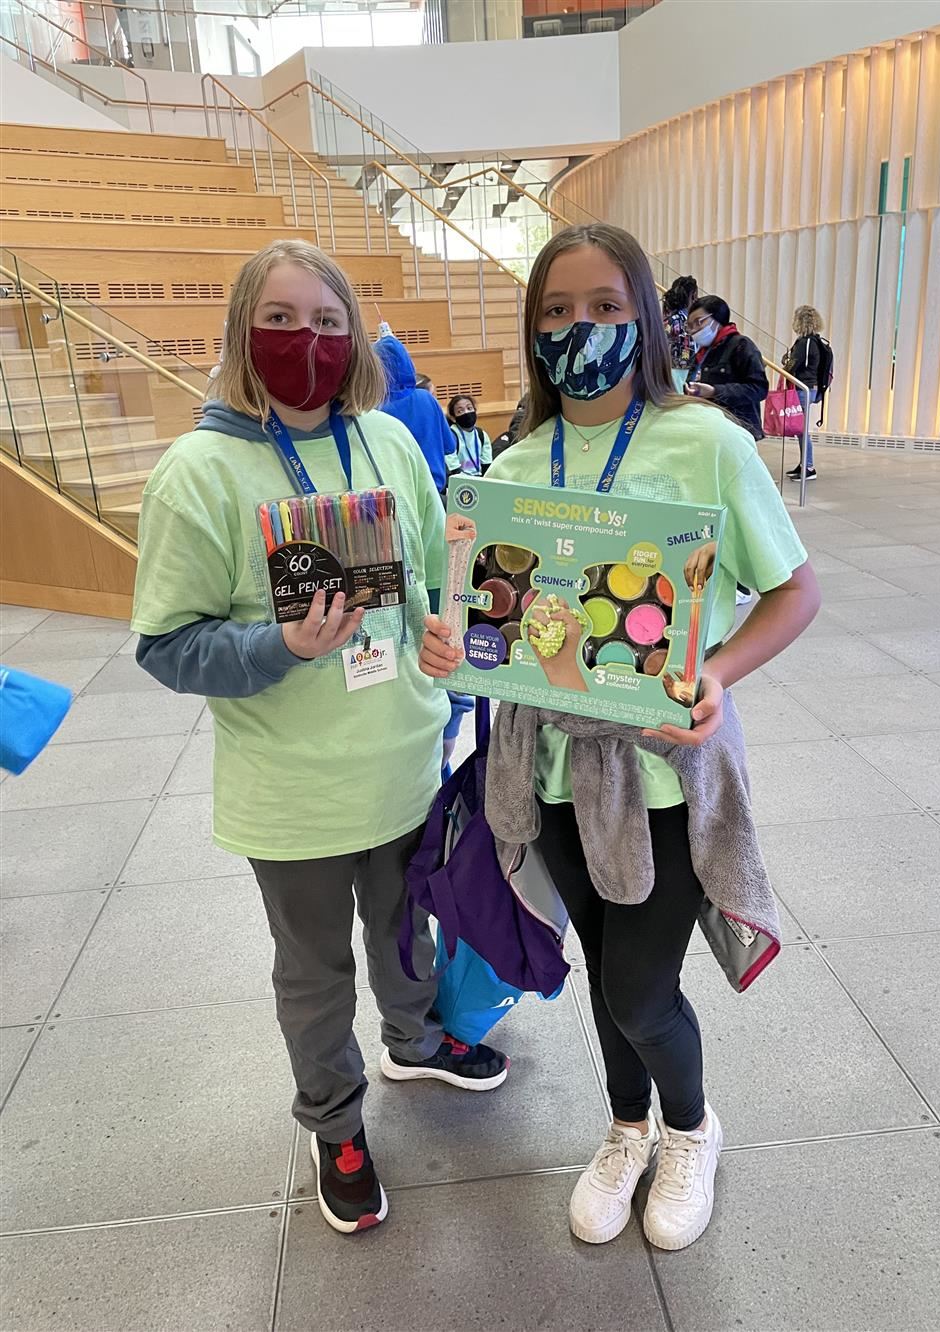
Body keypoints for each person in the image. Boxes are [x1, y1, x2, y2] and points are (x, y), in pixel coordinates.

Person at [420, 224, 819, 1254]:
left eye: (603, 306)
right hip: (548, 766)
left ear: (645, 316)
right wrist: (449, 641)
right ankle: (627, 1126)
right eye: (556, 310)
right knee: (603, 971)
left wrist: (719, 674)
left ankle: (690, 1129)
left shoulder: (708, 442)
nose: (578, 327)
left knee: (644, 984)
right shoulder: (511, 463)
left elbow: (795, 590)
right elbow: (488, 618)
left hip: (665, 776)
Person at [129, 239, 507, 1239]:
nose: (310, 341)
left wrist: (442, 639)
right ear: (244, 334)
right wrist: (281, 644)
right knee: (314, 972)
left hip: (403, 758)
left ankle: (417, 1035)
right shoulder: (198, 473)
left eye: (330, 321)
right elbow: (167, 646)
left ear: (356, 334)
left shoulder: (387, 441)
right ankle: (335, 1123)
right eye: (285, 320)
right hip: (291, 793)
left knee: (404, 929)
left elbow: (433, 580)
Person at [374, 333, 453, 498]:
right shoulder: (426, 398)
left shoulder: (376, 410)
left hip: (400, 497)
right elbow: (450, 446)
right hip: (435, 492)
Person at [684, 295, 769, 442]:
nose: (694, 330)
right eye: (690, 325)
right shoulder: (702, 353)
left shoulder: (741, 345)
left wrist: (715, 391)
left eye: (699, 322)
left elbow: (759, 388)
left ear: (717, 319)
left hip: (738, 430)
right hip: (710, 428)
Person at [782, 305, 825, 481]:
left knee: (802, 430)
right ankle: (804, 464)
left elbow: (796, 364)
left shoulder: (805, 343)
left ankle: (809, 467)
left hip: (803, 388)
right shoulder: (814, 341)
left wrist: (784, 366)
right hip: (810, 388)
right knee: (801, 429)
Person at [662, 274, 698, 392]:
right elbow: (684, 354)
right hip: (678, 372)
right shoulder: (679, 321)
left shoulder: (671, 319)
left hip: (680, 370)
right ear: (692, 296)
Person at [445, 394, 492, 476]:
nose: (466, 412)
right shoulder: (451, 436)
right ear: (453, 418)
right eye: (460, 411)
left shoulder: (481, 434)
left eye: (469, 408)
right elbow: (454, 469)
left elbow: (487, 465)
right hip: (461, 483)